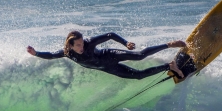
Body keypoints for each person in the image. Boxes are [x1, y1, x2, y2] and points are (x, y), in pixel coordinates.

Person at [26, 31, 186, 80]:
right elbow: (51, 55)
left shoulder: (89, 43)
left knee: (139, 56)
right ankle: (169, 66)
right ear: (70, 45)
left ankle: (169, 44)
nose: (82, 47)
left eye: (82, 43)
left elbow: (110, 35)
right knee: (139, 76)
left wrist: (125, 43)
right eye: (78, 45)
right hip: (107, 68)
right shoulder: (66, 53)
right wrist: (36, 53)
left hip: (110, 56)